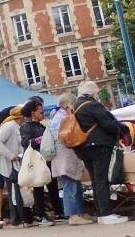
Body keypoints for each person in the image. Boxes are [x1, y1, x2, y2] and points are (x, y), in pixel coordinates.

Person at [70, 81, 126, 225]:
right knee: (101, 180)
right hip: (98, 146)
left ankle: (101, 213)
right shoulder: (92, 105)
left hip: (83, 148)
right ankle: (107, 214)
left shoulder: (75, 106)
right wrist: (122, 130)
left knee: (96, 180)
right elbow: (108, 124)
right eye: (97, 93)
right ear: (93, 93)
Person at [47, 94, 91, 225]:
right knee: (70, 186)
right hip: (65, 156)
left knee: (74, 185)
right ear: (68, 105)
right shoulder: (64, 117)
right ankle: (73, 215)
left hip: (63, 156)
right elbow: (67, 137)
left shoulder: (57, 116)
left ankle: (80, 213)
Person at [0, 105, 27, 229]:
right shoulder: (9, 126)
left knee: (16, 190)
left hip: (15, 163)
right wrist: (10, 154)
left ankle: (20, 217)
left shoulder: (16, 126)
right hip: (7, 163)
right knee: (13, 191)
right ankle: (16, 218)